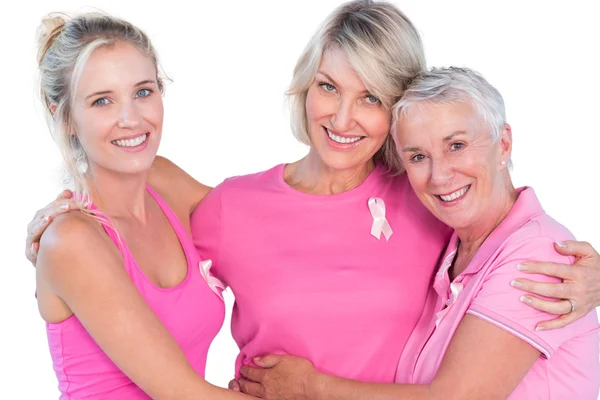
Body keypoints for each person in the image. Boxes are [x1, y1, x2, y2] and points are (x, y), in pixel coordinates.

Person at [27, 0, 600, 393]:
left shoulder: (429, 196)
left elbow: (510, 234)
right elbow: (128, 161)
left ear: (398, 112)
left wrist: (596, 275)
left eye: (371, 97)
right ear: (305, 87)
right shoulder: (232, 208)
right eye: (328, 87)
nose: (343, 117)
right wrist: (53, 211)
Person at [234, 67, 600, 399]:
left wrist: (308, 387)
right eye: (417, 156)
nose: (439, 176)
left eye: (456, 145)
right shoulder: (451, 249)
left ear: (502, 144)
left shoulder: (536, 255)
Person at [34, 11, 254, 400]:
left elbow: (267, 231)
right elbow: (185, 393)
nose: (130, 119)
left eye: (142, 92)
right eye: (102, 101)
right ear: (64, 116)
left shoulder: (165, 183)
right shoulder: (71, 241)